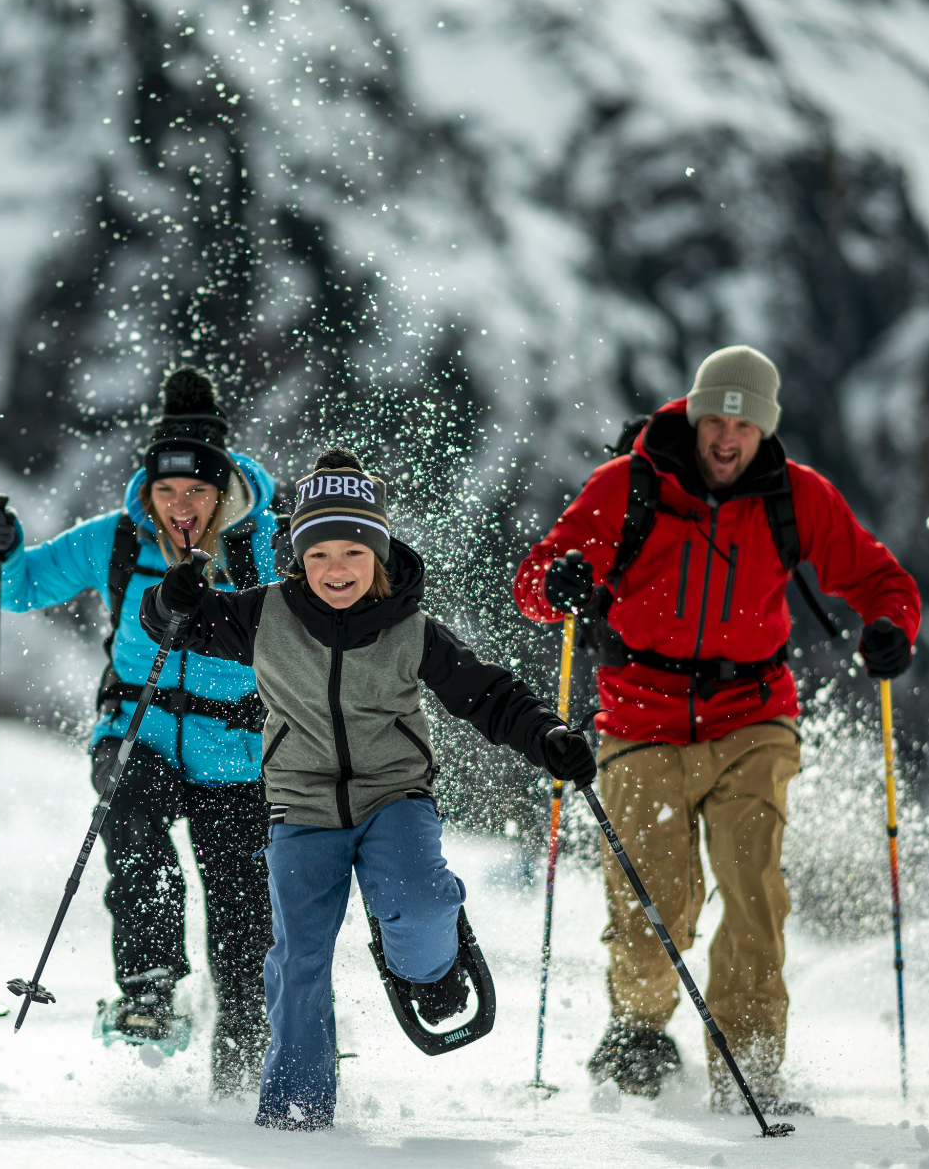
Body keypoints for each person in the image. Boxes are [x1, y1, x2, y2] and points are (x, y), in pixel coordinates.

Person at [139, 445, 597, 1130]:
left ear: (379, 557)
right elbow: (175, 623)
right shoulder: (263, 614)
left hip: (394, 799)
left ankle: (429, 970)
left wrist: (547, 737)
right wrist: (169, 599)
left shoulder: (412, 630)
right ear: (298, 559)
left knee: (420, 897)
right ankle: (297, 1110)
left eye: (352, 554)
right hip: (301, 809)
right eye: (318, 555)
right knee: (298, 960)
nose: (336, 570)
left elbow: (488, 696)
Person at [514, 345, 920, 1112]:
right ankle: (638, 1030)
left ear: (765, 430)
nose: (727, 438)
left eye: (745, 423)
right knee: (653, 904)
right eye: (716, 419)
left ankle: (752, 1069)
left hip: (754, 719)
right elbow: (536, 580)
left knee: (754, 888)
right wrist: (559, 582)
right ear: (695, 416)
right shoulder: (626, 486)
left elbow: (880, 580)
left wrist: (891, 627)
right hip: (639, 716)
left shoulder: (796, 498)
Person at [0, 366, 283, 1094]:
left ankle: (244, 1059)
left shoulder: (268, 545)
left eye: (196, 493)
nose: (180, 507)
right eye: (167, 492)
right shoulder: (118, 539)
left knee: (243, 913)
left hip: (238, 752)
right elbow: (19, 586)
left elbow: (327, 608)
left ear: (223, 490)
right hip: (134, 730)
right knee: (134, 830)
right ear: (148, 490)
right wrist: (1, 550)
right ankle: (148, 990)